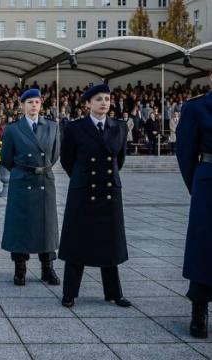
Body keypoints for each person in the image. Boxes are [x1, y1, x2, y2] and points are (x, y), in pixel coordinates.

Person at [58, 84, 131, 309]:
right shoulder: (74, 128)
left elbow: (120, 159)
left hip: (109, 193)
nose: (104, 103)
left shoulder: (119, 127)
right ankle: (69, 293)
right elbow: (67, 159)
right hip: (83, 193)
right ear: (88, 103)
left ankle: (114, 293)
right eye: (99, 99)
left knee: (110, 245)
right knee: (76, 244)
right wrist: (81, 179)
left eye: (107, 99)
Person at [0, 89, 60, 286]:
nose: (34, 105)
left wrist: (41, 169)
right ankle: (20, 269)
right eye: (30, 102)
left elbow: (55, 154)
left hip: (44, 180)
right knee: (20, 227)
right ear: (23, 105)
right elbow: (7, 158)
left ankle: (47, 268)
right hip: (22, 180)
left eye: (37, 102)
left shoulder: (52, 127)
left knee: (47, 226)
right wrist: (22, 171)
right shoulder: (13, 129)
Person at [175, 82, 212, 339]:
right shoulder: (197, 107)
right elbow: (185, 152)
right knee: (204, 245)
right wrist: (198, 186)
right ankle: (199, 308)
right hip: (209, 182)